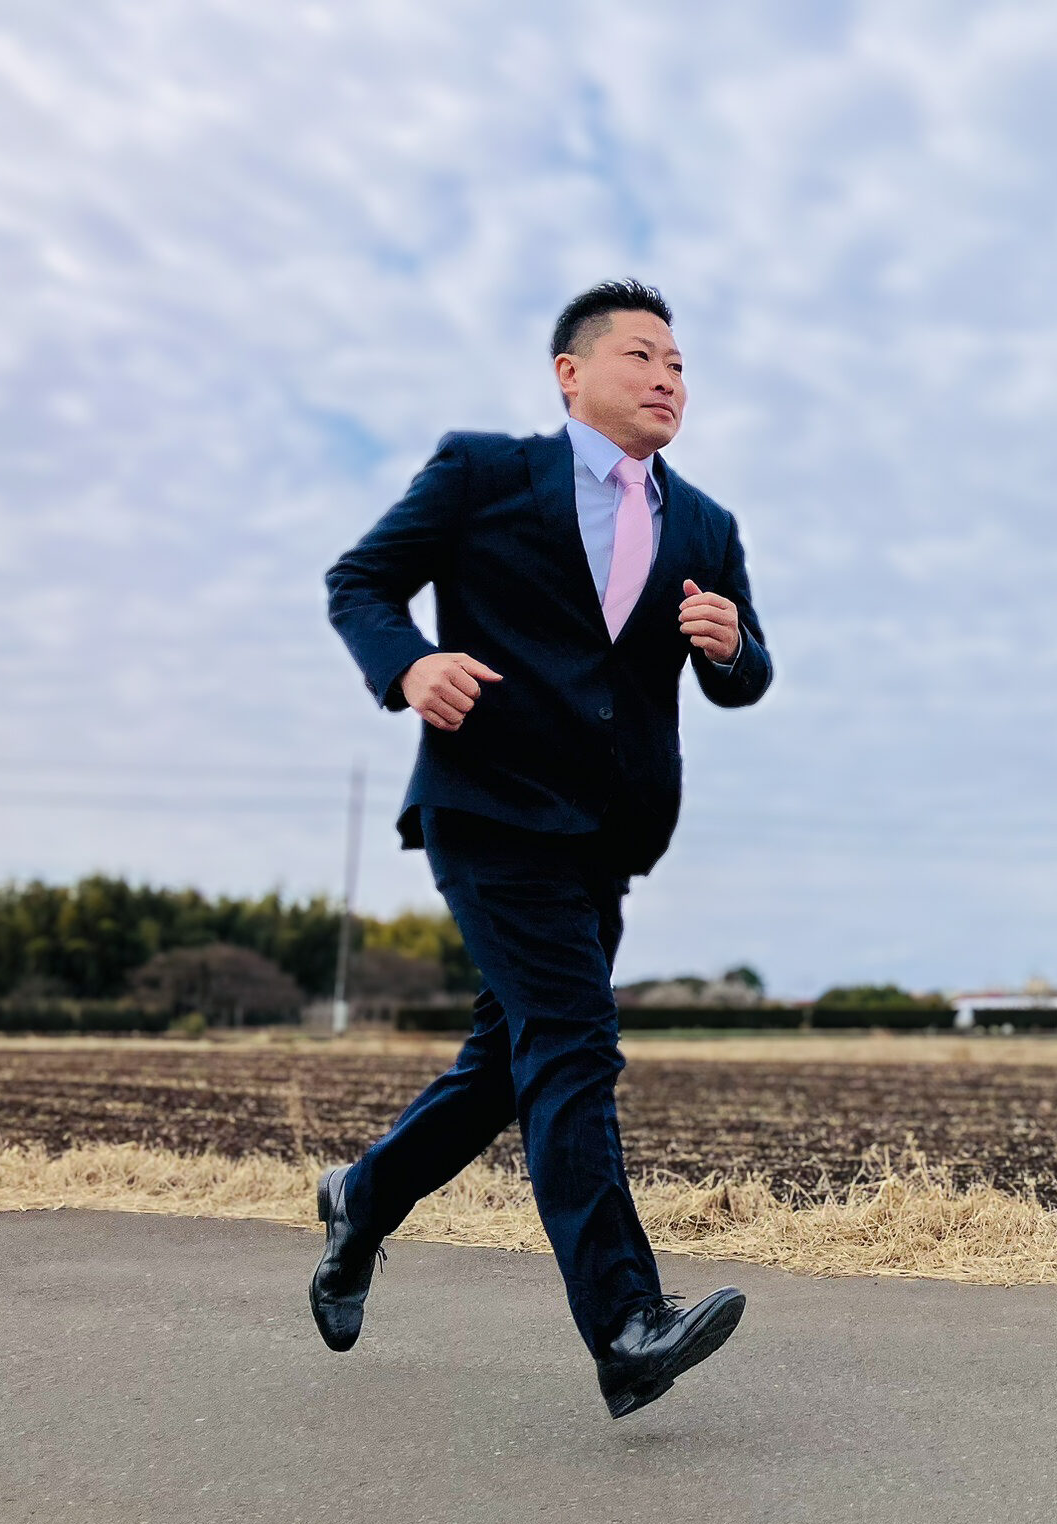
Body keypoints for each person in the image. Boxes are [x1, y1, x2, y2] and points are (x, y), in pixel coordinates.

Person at [314, 279, 770, 1419]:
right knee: (572, 1042)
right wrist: (409, 666)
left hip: (603, 836)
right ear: (570, 374)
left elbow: (747, 673)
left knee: (502, 1068)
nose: (667, 377)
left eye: (679, 364)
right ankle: (625, 1324)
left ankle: (362, 1197)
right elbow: (359, 582)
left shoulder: (704, 526)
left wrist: (729, 647)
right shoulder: (481, 473)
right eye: (641, 355)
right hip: (488, 809)